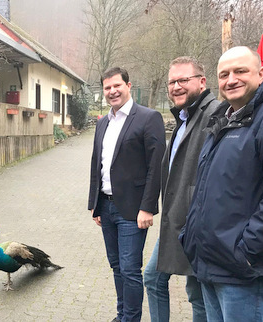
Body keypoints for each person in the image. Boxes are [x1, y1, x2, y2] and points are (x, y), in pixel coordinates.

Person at [179, 46, 263, 321]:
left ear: (261, 74)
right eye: (224, 74)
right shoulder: (223, 120)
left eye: (240, 71)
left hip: (244, 271)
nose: (231, 79)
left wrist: (246, 251)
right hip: (210, 263)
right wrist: (190, 239)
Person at [144, 57, 219, 322]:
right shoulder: (185, 117)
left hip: (198, 224)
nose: (176, 86)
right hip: (178, 221)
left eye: (183, 80)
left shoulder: (215, 115)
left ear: (202, 81)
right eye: (172, 82)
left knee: (194, 292)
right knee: (165, 281)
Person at [88, 67, 166, 322]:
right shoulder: (103, 122)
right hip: (106, 207)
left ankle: (131, 319)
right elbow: (96, 164)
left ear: (128, 86)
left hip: (133, 210)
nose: (112, 91)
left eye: (116, 86)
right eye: (107, 88)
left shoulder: (147, 118)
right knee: (117, 266)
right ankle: (122, 315)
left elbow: (157, 167)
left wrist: (148, 207)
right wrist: (95, 204)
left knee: (131, 270)